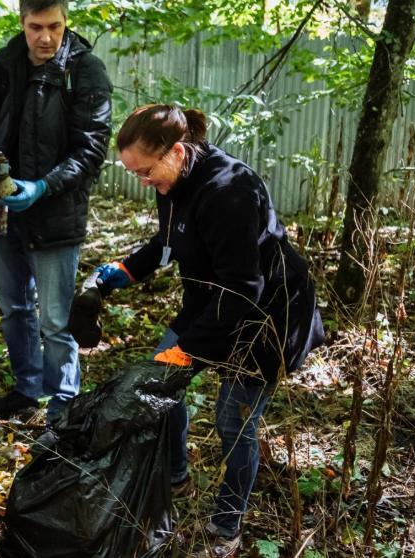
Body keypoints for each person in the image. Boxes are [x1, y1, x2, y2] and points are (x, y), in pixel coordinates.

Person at [95, 104, 325, 557]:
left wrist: (189, 351)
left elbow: (242, 288)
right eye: (135, 174)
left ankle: (226, 527)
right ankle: (177, 478)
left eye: (145, 171)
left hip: (265, 315)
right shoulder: (173, 179)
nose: (143, 181)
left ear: (177, 151)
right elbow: (169, 239)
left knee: (233, 419)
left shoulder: (229, 192)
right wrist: (127, 269)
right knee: (160, 385)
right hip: (210, 303)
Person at [0, 0, 113, 434]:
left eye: (54, 26)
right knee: (13, 309)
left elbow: (90, 151)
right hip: (2, 211)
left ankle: (63, 406)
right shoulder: (3, 63)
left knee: (54, 318)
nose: (46, 37)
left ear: (66, 23)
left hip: (56, 215)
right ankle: (27, 389)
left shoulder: (86, 71)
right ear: (22, 23)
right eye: (36, 27)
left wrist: (43, 187)